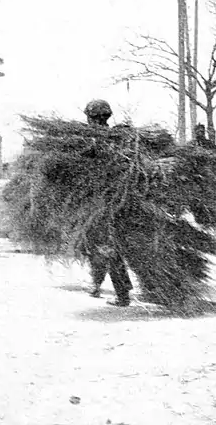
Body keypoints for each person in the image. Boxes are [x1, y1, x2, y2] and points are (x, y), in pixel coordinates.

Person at [82, 99, 134, 307]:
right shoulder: (118, 138)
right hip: (117, 199)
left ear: (92, 117)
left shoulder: (95, 140)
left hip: (103, 201)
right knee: (99, 244)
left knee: (105, 246)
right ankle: (98, 283)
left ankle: (121, 293)